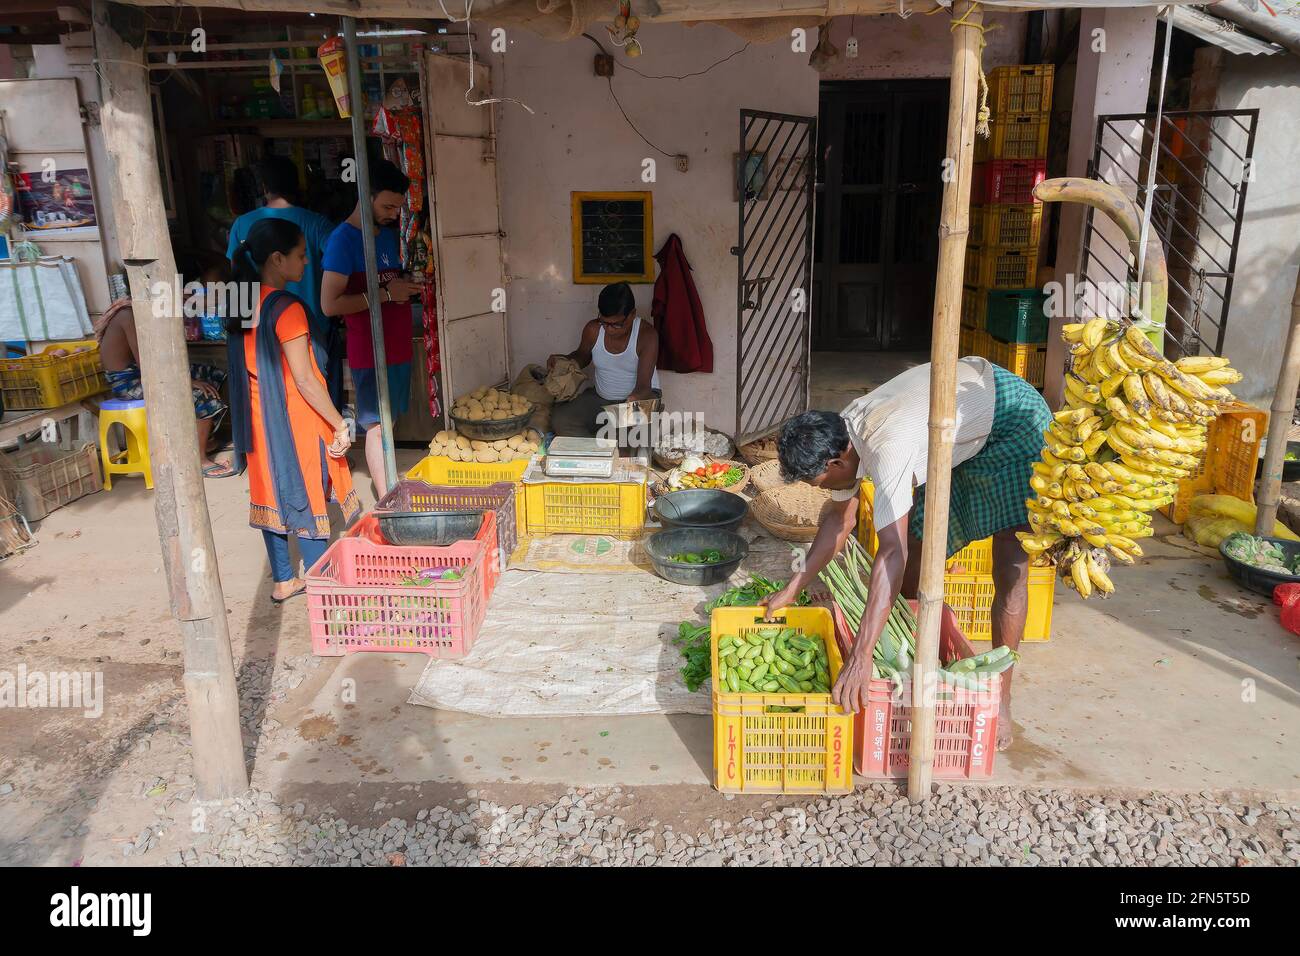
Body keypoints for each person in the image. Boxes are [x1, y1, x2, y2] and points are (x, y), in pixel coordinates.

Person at [760, 358, 1052, 750]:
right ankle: (913, 656)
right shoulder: (843, 430)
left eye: (819, 482)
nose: (820, 489)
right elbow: (839, 521)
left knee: (1010, 561)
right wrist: (795, 586)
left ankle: (1001, 696)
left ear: (836, 462)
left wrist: (861, 657)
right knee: (917, 539)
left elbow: (889, 553)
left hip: (1012, 422)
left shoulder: (887, 448)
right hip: (953, 428)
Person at [229, 218, 358, 604]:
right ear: (276, 259)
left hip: (257, 416)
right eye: (301, 256)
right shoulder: (286, 308)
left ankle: (284, 580)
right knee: (308, 490)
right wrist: (339, 423)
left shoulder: (240, 299)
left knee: (270, 489)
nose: (306, 263)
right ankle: (323, 585)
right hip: (293, 415)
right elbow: (305, 380)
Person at [320, 158, 422, 498]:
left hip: (398, 346)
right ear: (365, 196)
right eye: (387, 205)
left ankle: (391, 486)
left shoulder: (390, 235)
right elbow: (330, 304)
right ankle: (388, 498)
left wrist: (405, 285)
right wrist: (386, 293)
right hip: (370, 350)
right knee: (377, 427)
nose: (394, 212)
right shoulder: (343, 241)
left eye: (398, 206)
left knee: (389, 424)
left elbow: (391, 284)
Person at [226, 155, 343, 407]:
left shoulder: (241, 224)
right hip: (313, 331)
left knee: (274, 407)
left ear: (264, 188)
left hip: (258, 332)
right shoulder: (316, 224)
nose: (305, 260)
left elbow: (235, 280)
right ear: (297, 186)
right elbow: (343, 260)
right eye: (302, 256)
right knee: (318, 398)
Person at [97, 296, 234, 478]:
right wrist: (186, 381)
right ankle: (199, 460)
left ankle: (203, 439)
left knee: (211, 374)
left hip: (142, 374)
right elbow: (147, 363)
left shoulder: (136, 311)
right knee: (201, 396)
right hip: (128, 383)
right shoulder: (127, 315)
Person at [547, 281, 661, 438]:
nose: (609, 329)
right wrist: (564, 361)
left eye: (616, 324)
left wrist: (630, 405)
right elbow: (582, 356)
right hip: (602, 397)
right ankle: (594, 454)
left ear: (632, 315)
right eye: (604, 323)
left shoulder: (646, 336)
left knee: (628, 439)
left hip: (641, 397)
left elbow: (644, 387)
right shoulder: (593, 329)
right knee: (561, 420)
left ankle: (611, 449)